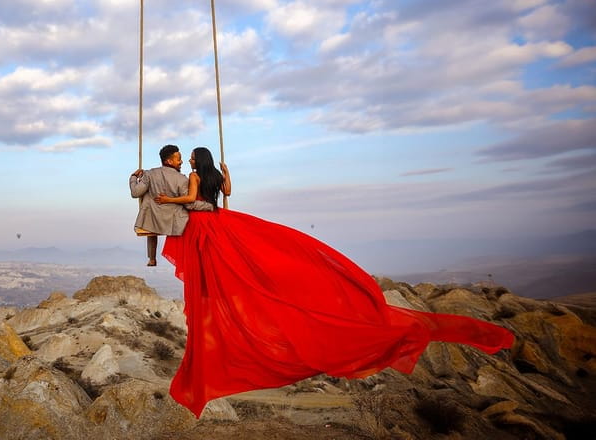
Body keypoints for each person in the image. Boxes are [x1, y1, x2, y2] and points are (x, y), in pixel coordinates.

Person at [156, 147, 515, 418]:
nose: (186, 161)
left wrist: (166, 199)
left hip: (204, 226)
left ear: (195, 161)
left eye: (189, 157)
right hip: (222, 220)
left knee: (218, 269)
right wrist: (227, 170)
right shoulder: (216, 176)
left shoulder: (196, 178)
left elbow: (189, 200)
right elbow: (229, 191)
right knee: (246, 262)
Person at [129, 144, 189, 266]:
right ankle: (182, 258)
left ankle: (152, 258)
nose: (181, 162)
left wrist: (133, 177)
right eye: (179, 159)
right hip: (174, 222)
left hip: (154, 220)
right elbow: (187, 201)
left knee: (148, 201)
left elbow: (135, 192)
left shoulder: (150, 174)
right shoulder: (182, 179)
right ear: (169, 161)